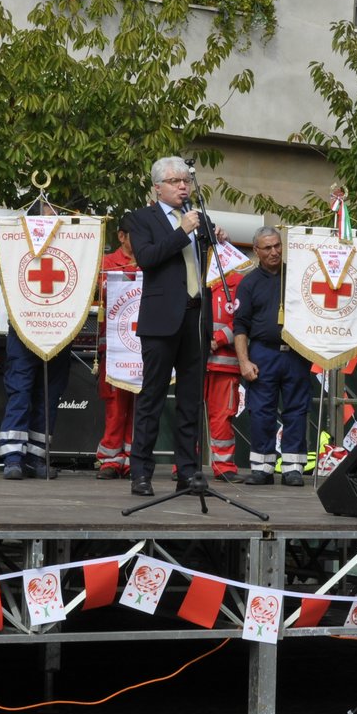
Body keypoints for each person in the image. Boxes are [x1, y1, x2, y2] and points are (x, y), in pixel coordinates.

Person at [124, 157, 222, 497]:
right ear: (157, 187)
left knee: (191, 400)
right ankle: (141, 472)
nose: (183, 186)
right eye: (175, 181)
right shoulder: (141, 219)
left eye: (186, 180)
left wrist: (214, 235)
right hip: (161, 319)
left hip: (196, 318)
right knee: (152, 397)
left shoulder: (197, 217)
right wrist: (183, 232)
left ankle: (189, 472)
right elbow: (148, 258)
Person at [233, 226, 312, 487]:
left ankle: (293, 468)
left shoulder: (299, 277)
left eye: (277, 245)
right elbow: (240, 326)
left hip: (297, 354)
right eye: (267, 248)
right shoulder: (249, 283)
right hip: (263, 354)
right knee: (261, 412)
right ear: (256, 251)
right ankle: (262, 467)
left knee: (297, 411)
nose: (274, 251)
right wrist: (244, 361)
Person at [0, 326, 72, 481]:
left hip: (60, 333)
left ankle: (35, 458)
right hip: (24, 330)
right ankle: (13, 458)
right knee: (20, 394)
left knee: (48, 398)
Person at [95, 219, 139, 479]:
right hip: (113, 346)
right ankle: (110, 460)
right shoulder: (106, 263)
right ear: (122, 236)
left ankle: (134, 458)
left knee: (139, 404)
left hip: (142, 344)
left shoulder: (151, 260)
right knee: (115, 404)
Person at [203, 262, 244, 483]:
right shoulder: (193, 273)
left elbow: (242, 319)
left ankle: (224, 466)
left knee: (222, 417)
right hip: (194, 363)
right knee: (189, 414)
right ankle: (184, 465)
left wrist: (216, 341)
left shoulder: (238, 281)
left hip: (225, 363)